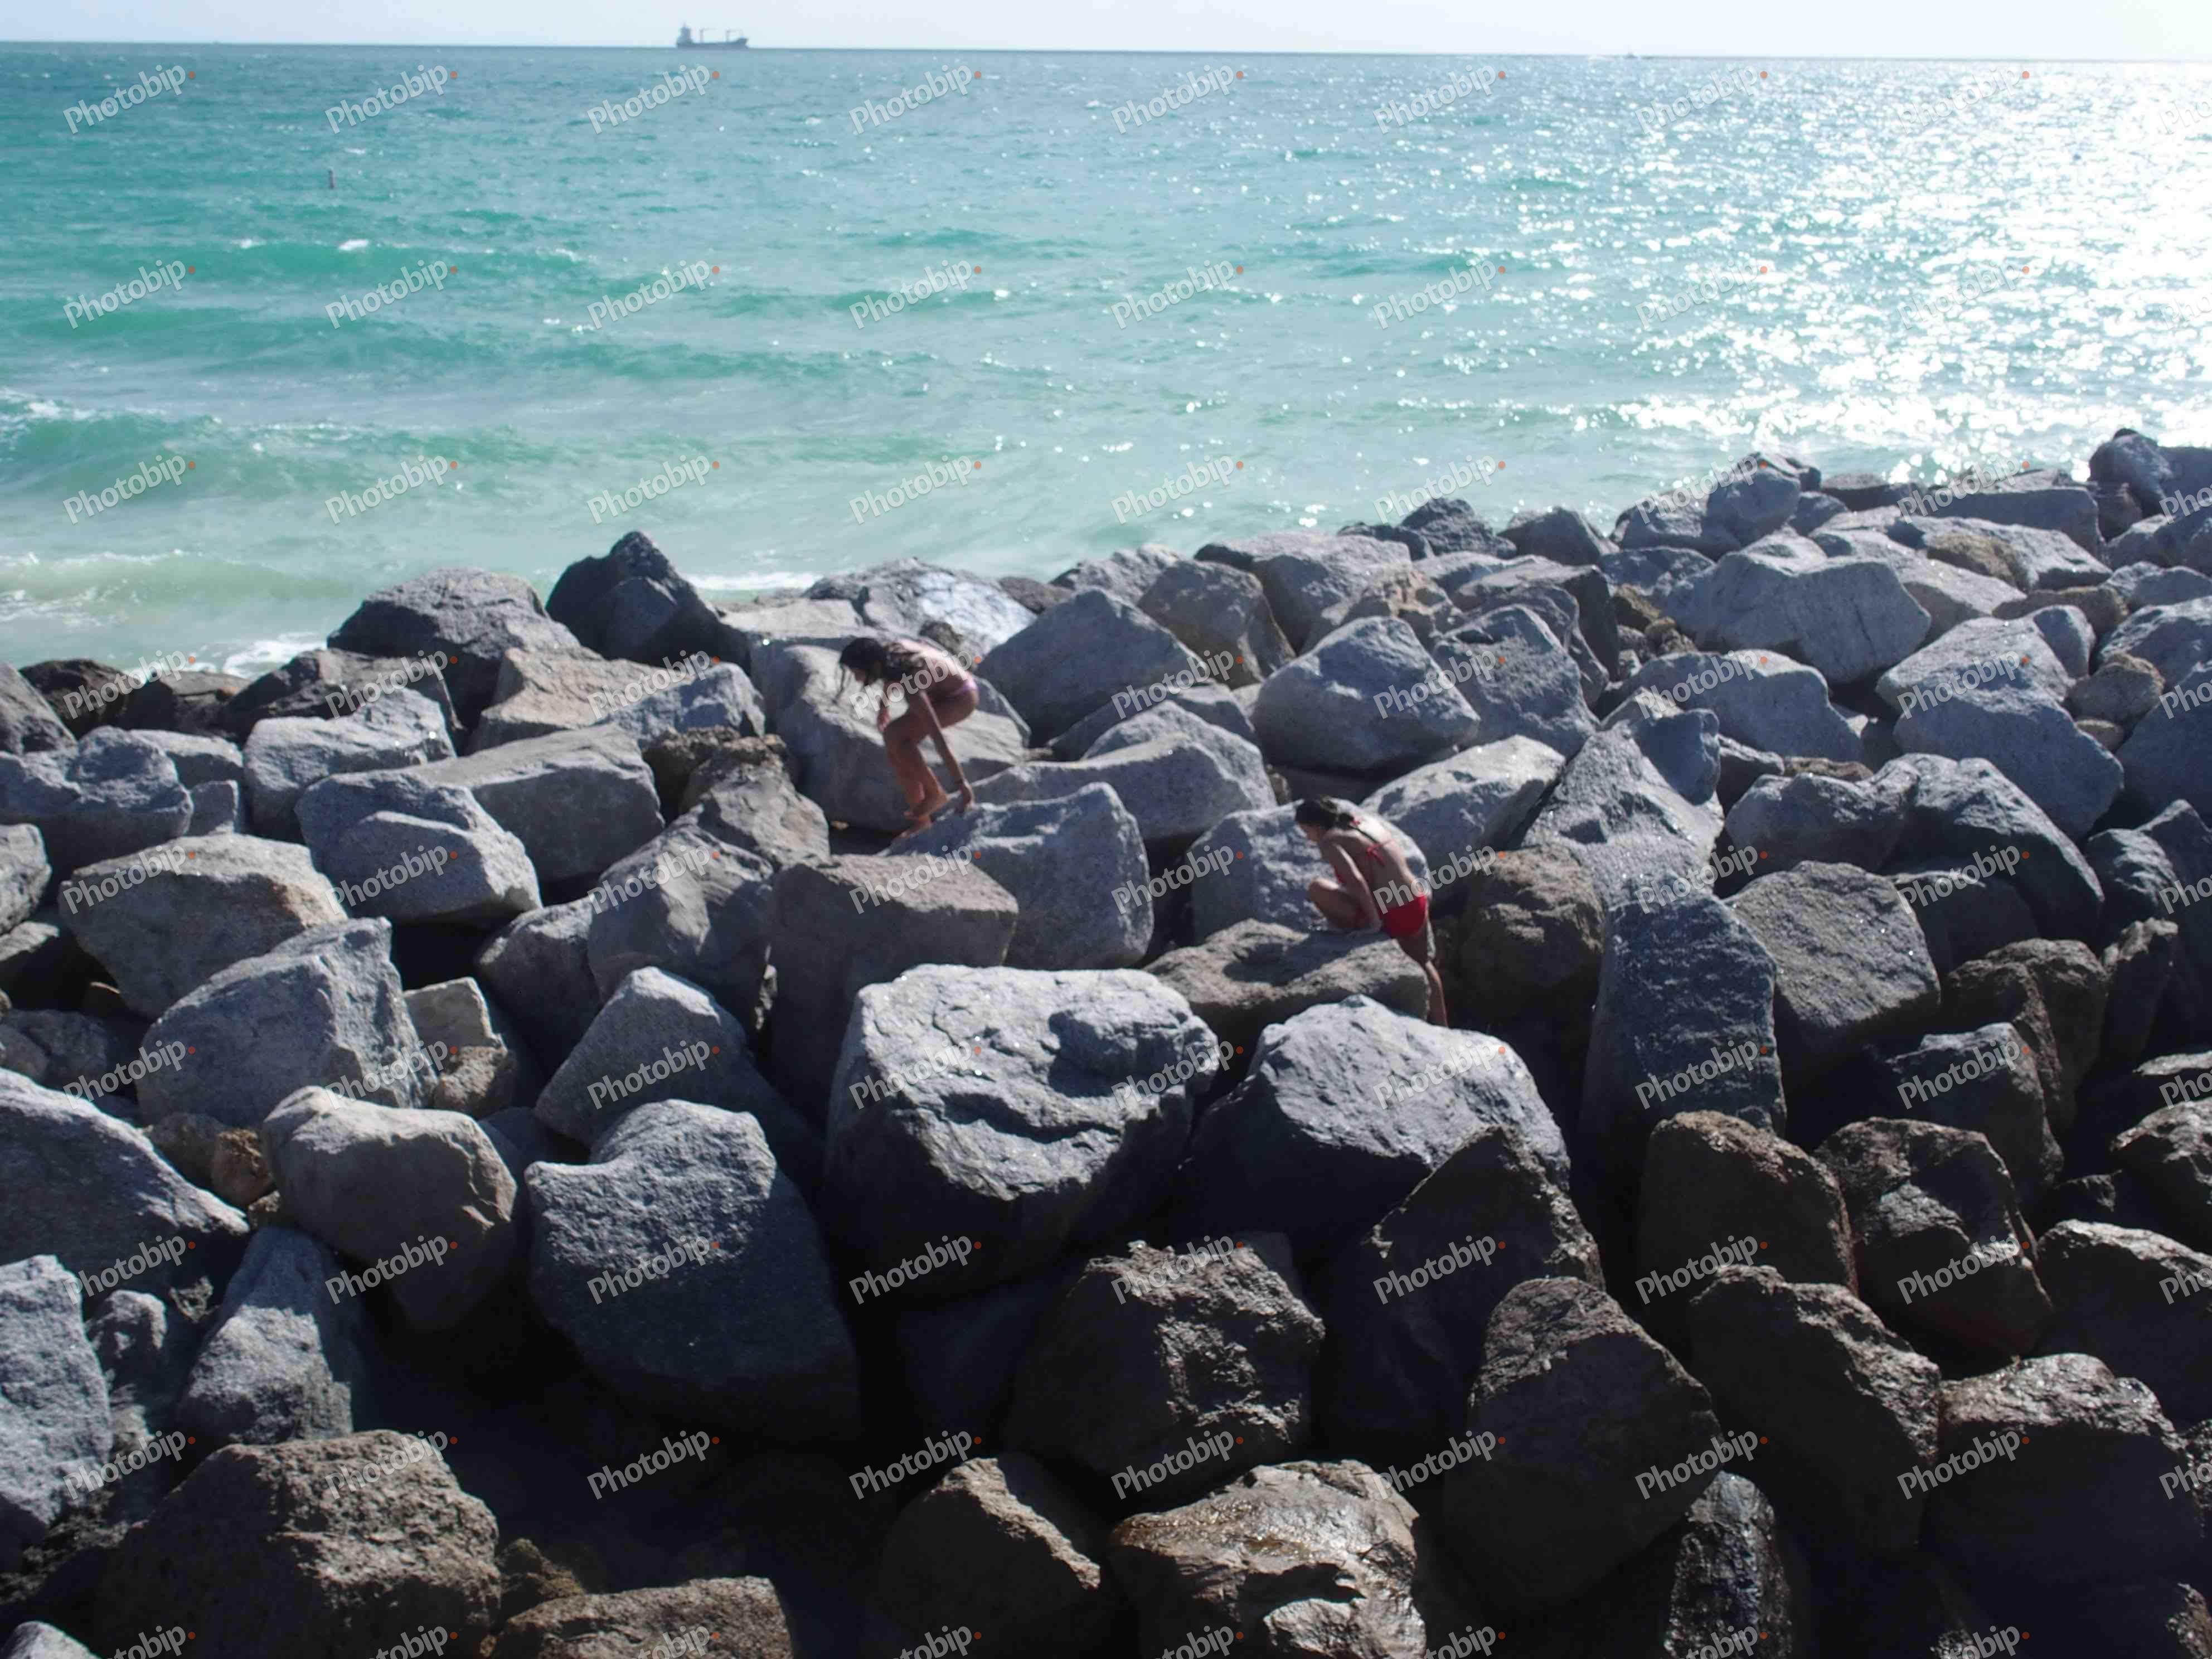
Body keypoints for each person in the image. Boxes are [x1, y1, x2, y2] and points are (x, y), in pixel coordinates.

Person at [1295, 797, 1448, 1026]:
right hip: (1416, 899)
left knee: (1317, 888)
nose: (1308, 839)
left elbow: (1357, 881)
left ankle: (1346, 927)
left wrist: (1374, 923)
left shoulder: (1329, 841)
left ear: (1316, 827)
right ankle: (1443, 1026)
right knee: (1424, 964)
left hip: (1396, 911)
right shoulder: (1364, 823)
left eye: (1306, 832)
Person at [836, 636, 978, 834]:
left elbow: (937, 736)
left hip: (961, 697)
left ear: (873, 666)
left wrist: (962, 786)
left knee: (895, 735)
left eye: (858, 673)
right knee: (895, 745)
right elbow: (890, 674)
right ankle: (922, 823)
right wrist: (884, 706)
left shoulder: (911, 683)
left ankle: (936, 793)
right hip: (937, 689)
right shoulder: (887, 656)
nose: (857, 679)